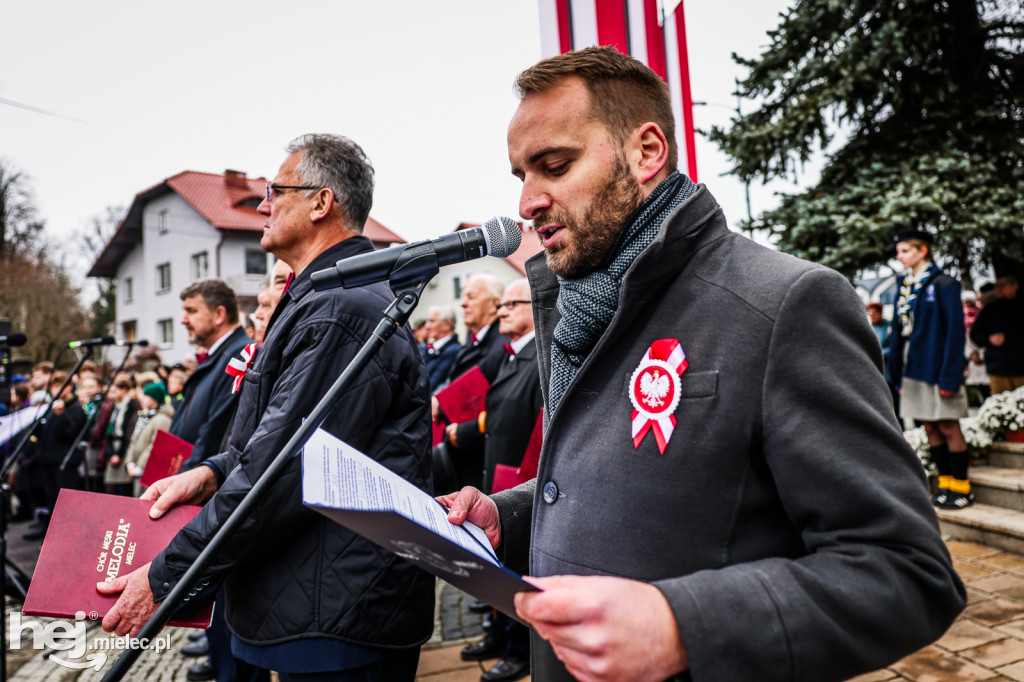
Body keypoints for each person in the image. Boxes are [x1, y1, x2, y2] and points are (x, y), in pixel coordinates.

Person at [440, 46, 965, 682]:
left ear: (646, 152)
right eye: (521, 175)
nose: (527, 202)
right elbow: (607, 484)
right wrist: (509, 515)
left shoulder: (785, 304)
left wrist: (681, 625)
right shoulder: (579, 309)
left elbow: (907, 571)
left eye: (554, 165)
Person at [100, 134, 434, 682]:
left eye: (276, 192)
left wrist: (165, 578)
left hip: (341, 613)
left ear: (321, 203)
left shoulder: (340, 309)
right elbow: (272, 443)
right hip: (323, 599)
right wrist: (208, 474)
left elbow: (281, 473)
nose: (262, 205)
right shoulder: (324, 297)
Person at [458, 278, 540, 682]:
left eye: (512, 304)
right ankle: (499, 634)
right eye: (502, 305)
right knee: (496, 568)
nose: (502, 311)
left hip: (521, 480)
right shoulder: (511, 356)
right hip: (498, 475)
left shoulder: (539, 359)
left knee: (516, 572)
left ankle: (518, 647)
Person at [888, 230, 972, 509]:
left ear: (922, 251)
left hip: (938, 367)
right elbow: (898, 332)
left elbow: (955, 332)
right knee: (930, 426)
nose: (900, 257)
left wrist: (951, 374)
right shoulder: (904, 284)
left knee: (948, 424)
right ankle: (945, 483)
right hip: (913, 366)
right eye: (899, 251)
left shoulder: (944, 283)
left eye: (905, 251)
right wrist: (897, 372)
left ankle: (962, 487)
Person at [170, 278, 253, 470]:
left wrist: (183, 478)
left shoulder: (240, 356)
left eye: (192, 311)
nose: (183, 320)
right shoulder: (220, 355)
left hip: (202, 484)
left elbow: (216, 433)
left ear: (219, 315)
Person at [970, 274, 1024, 395]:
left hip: (1021, 366)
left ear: (1014, 286)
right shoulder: (990, 309)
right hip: (999, 368)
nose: (998, 289)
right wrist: (989, 340)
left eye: (1002, 285)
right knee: (1000, 405)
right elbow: (975, 333)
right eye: (996, 286)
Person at [124, 382, 175, 497]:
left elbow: (155, 445)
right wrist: (130, 462)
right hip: (136, 468)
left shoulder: (162, 419)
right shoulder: (143, 416)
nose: (142, 399)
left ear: (154, 399)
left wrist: (140, 466)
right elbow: (134, 439)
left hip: (148, 471)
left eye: (146, 396)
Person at [103, 377, 139, 496]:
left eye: (114, 391)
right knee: (109, 486)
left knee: (124, 486)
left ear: (124, 390)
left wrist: (118, 454)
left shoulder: (132, 407)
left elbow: (128, 432)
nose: (110, 395)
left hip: (123, 450)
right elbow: (108, 431)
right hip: (113, 449)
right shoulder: (114, 407)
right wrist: (111, 453)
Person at [423, 306, 462, 391]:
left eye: (432, 321)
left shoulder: (453, 351)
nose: (427, 326)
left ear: (447, 325)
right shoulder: (431, 349)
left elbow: (430, 387)